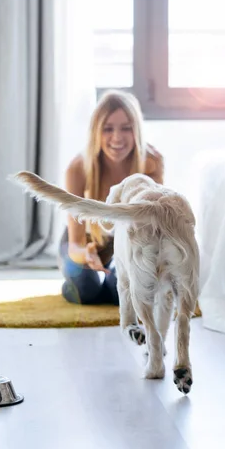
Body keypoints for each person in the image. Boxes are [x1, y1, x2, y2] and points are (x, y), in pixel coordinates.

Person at [59, 90, 164, 305]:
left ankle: (110, 280)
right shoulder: (78, 168)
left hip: (125, 243)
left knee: (120, 295)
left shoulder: (151, 162)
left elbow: (155, 226)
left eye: (126, 128)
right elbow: (75, 244)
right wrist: (86, 255)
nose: (117, 138)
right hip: (84, 242)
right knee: (87, 292)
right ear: (96, 132)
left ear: (137, 130)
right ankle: (75, 280)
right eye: (108, 129)